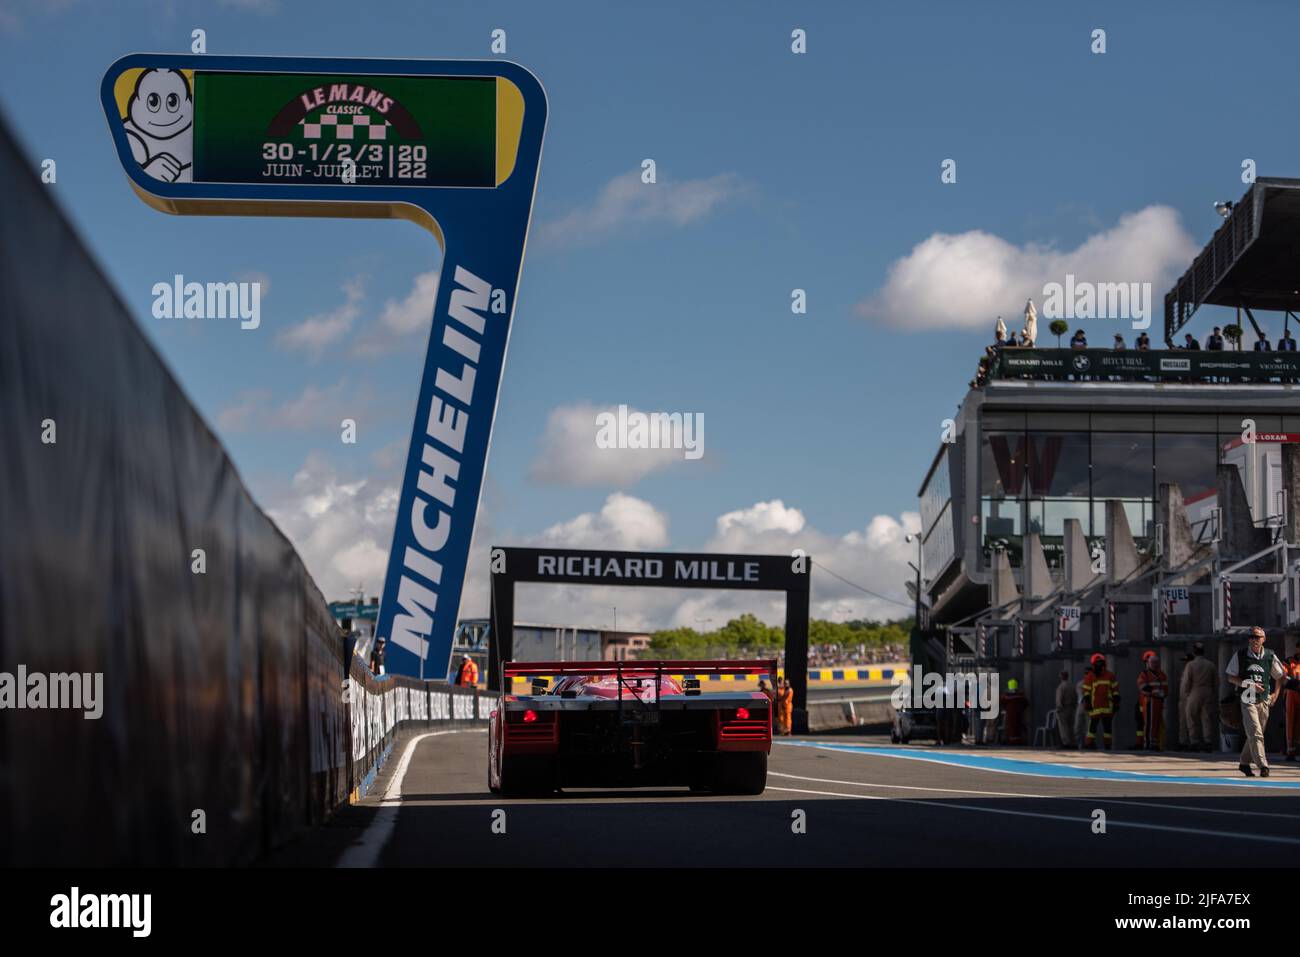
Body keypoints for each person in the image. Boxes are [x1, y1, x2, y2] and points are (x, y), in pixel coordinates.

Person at [1225, 626, 1285, 777]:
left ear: (1263, 639)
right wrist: (1249, 684)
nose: (1254, 640)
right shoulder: (1240, 655)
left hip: (1264, 699)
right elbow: (1231, 677)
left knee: (1256, 734)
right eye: (1251, 637)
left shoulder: (1270, 655)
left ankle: (1244, 763)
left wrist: (1275, 695)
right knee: (1256, 733)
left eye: (1257, 637)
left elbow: (1280, 676)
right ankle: (1263, 765)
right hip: (1247, 698)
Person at [1181, 643, 1218, 752]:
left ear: (1194, 652)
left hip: (1195, 691)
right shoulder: (1210, 665)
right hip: (1208, 691)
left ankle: (1194, 741)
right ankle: (1208, 741)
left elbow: (1187, 680)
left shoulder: (1191, 665)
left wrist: (1187, 693)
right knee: (1206, 718)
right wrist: (1212, 692)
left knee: (1191, 717)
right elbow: (1216, 681)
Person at [1083, 653, 1119, 750]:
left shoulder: (1110, 675)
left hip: (1105, 707)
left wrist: (1116, 702)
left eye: (1100, 663)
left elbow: (1115, 690)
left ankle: (1107, 745)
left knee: (1106, 728)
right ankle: (1089, 744)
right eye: (1097, 663)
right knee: (1093, 728)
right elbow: (1086, 691)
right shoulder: (1090, 676)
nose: (1099, 665)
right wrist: (1087, 702)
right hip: (1096, 707)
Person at [1134, 650, 1168, 751]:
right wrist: (1151, 691)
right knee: (1149, 723)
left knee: (1156, 722)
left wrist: (1162, 694)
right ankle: (1148, 742)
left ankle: (1154, 742)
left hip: (1158, 701)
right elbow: (1142, 686)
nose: (1154, 665)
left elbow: (1165, 688)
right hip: (1150, 701)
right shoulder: (1144, 674)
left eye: (1156, 663)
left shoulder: (1161, 674)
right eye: (1152, 663)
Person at [1000, 678, 1028, 745]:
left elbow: (1002, 702)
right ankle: (1017, 741)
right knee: (1017, 727)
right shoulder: (1020, 696)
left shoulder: (1007, 696)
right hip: (1019, 714)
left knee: (1011, 727)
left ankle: (1011, 741)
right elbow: (1026, 703)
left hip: (1010, 714)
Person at [1284, 653, 1300, 761]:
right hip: (1292, 691)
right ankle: (1291, 751)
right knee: (1291, 721)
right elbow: (1283, 673)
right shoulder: (1289, 661)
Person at [1055, 670, 1077, 749]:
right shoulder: (1072, 686)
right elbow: (1075, 697)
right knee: (1071, 726)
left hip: (1063, 709)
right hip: (1071, 708)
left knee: (1063, 727)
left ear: (1061, 677)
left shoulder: (1061, 687)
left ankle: (1066, 743)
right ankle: (1073, 743)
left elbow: (1059, 699)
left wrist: (1059, 708)